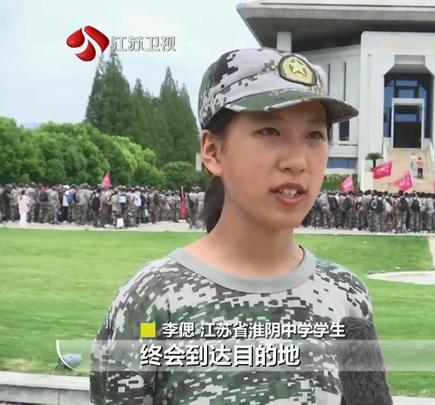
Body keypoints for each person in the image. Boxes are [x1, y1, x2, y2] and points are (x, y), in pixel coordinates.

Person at [90, 48, 387, 403]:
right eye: (270, 131)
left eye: (314, 135)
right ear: (213, 152)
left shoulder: (347, 295)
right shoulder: (152, 300)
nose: (297, 161)